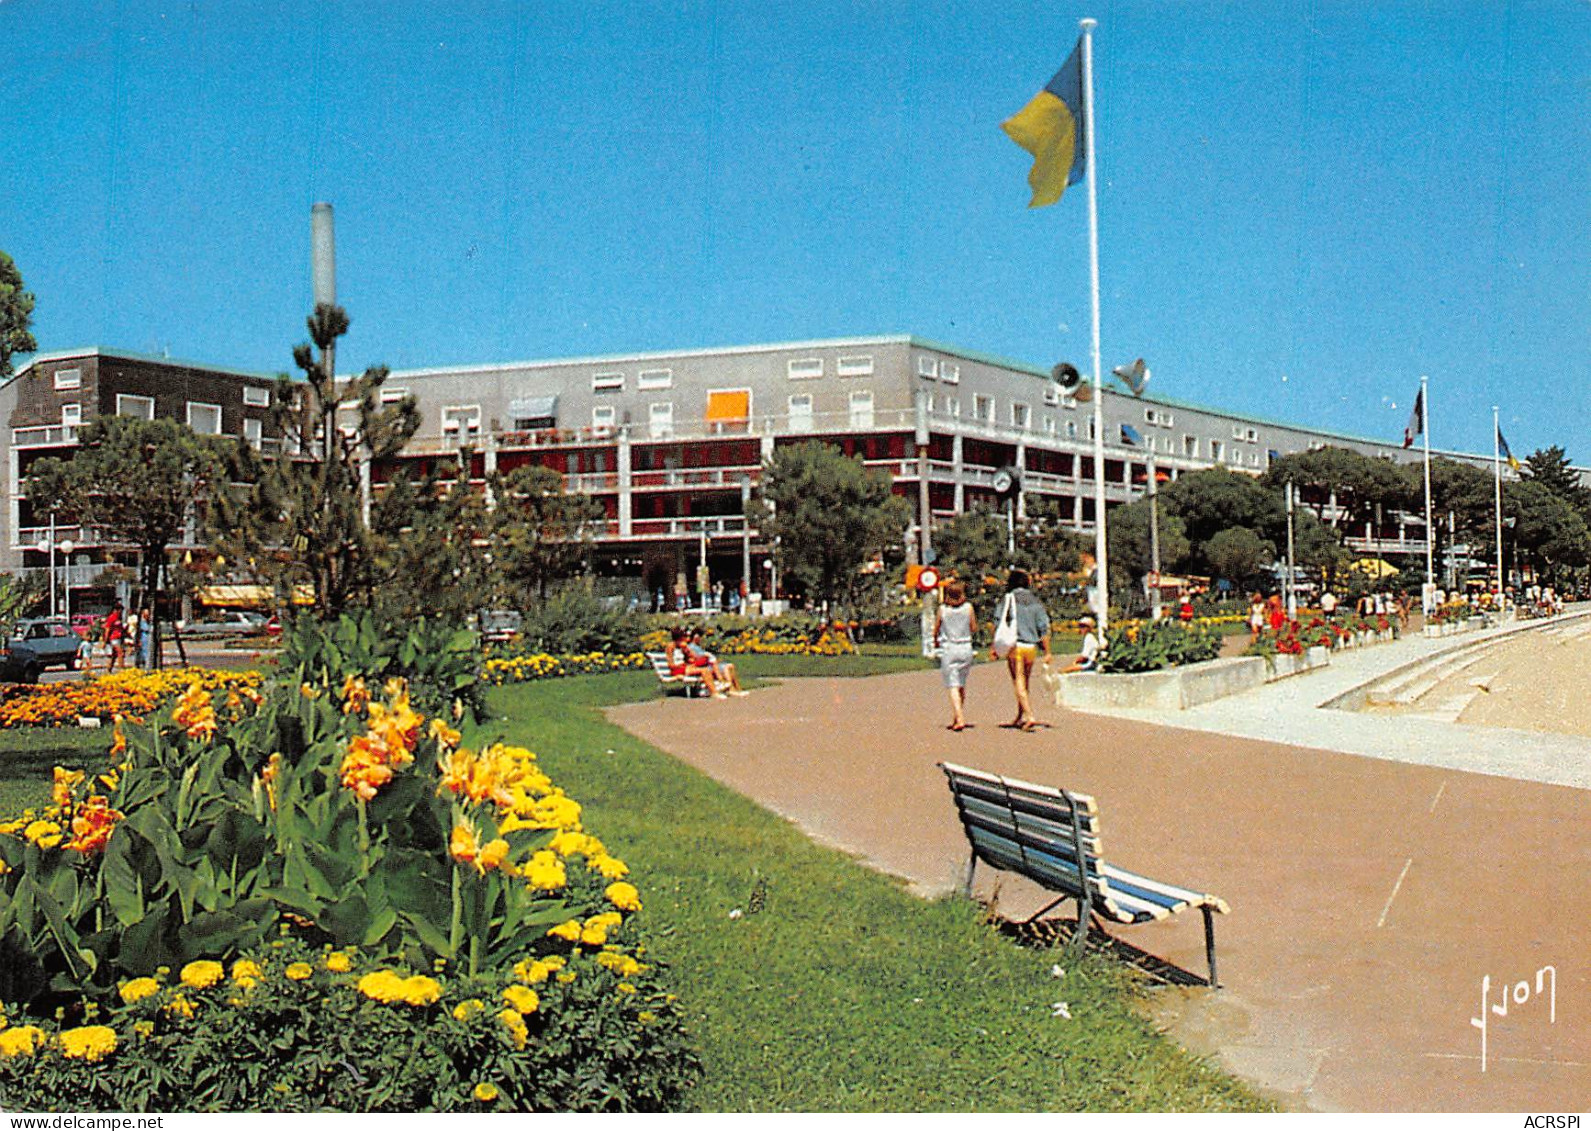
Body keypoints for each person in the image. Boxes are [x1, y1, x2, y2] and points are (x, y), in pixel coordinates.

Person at [990, 569, 1050, 732]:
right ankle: (1019, 715)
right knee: (1024, 682)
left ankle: (1029, 715)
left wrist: (994, 646)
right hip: (1030, 648)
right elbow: (1043, 628)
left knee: (1018, 681)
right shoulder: (1036, 602)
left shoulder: (1007, 600)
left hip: (1015, 646)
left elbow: (998, 622)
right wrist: (1047, 652)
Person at [933, 579, 977, 731]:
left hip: (950, 648)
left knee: (952, 684)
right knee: (961, 684)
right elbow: (973, 627)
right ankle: (957, 715)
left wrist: (935, 642)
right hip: (966, 647)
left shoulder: (943, 610)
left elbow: (936, 629)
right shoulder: (968, 608)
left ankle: (960, 717)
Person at [687, 627, 747, 697]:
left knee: (730, 666)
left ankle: (738, 689)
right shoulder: (691, 647)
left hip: (708, 665)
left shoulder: (697, 647)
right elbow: (697, 659)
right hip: (705, 666)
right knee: (726, 668)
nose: (701, 639)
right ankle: (731, 689)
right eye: (700, 637)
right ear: (696, 637)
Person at [666, 627, 722, 699]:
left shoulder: (683, 646)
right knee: (704, 670)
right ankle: (714, 693)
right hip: (677, 670)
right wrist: (684, 667)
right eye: (684, 637)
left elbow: (694, 657)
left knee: (707, 664)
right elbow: (671, 665)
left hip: (685, 667)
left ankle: (716, 686)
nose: (685, 639)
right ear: (679, 638)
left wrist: (687, 649)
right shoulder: (670, 646)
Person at [104, 601, 125, 672]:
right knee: (120, 653)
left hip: (119, 638)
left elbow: (121, 628)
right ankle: (122, 669)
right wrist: (105, 640)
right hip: (113, 638)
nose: (121, 612)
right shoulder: (111, 617)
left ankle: (109, 669)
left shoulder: (119, 618)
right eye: (120, 610)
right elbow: (107, 629)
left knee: (114, 655)